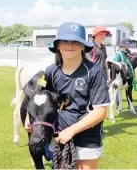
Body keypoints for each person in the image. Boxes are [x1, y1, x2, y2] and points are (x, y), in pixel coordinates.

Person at [26, 22, 110, 169]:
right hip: (59, 137)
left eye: (75, 41)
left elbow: (100, 112)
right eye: (65, 41)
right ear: (57, 45)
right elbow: (40, 97)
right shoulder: (51, 71)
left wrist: (71, 131)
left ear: (83, 46)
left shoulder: (94, 72)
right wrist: (30, 117)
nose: (70, 45)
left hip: (87, 138)